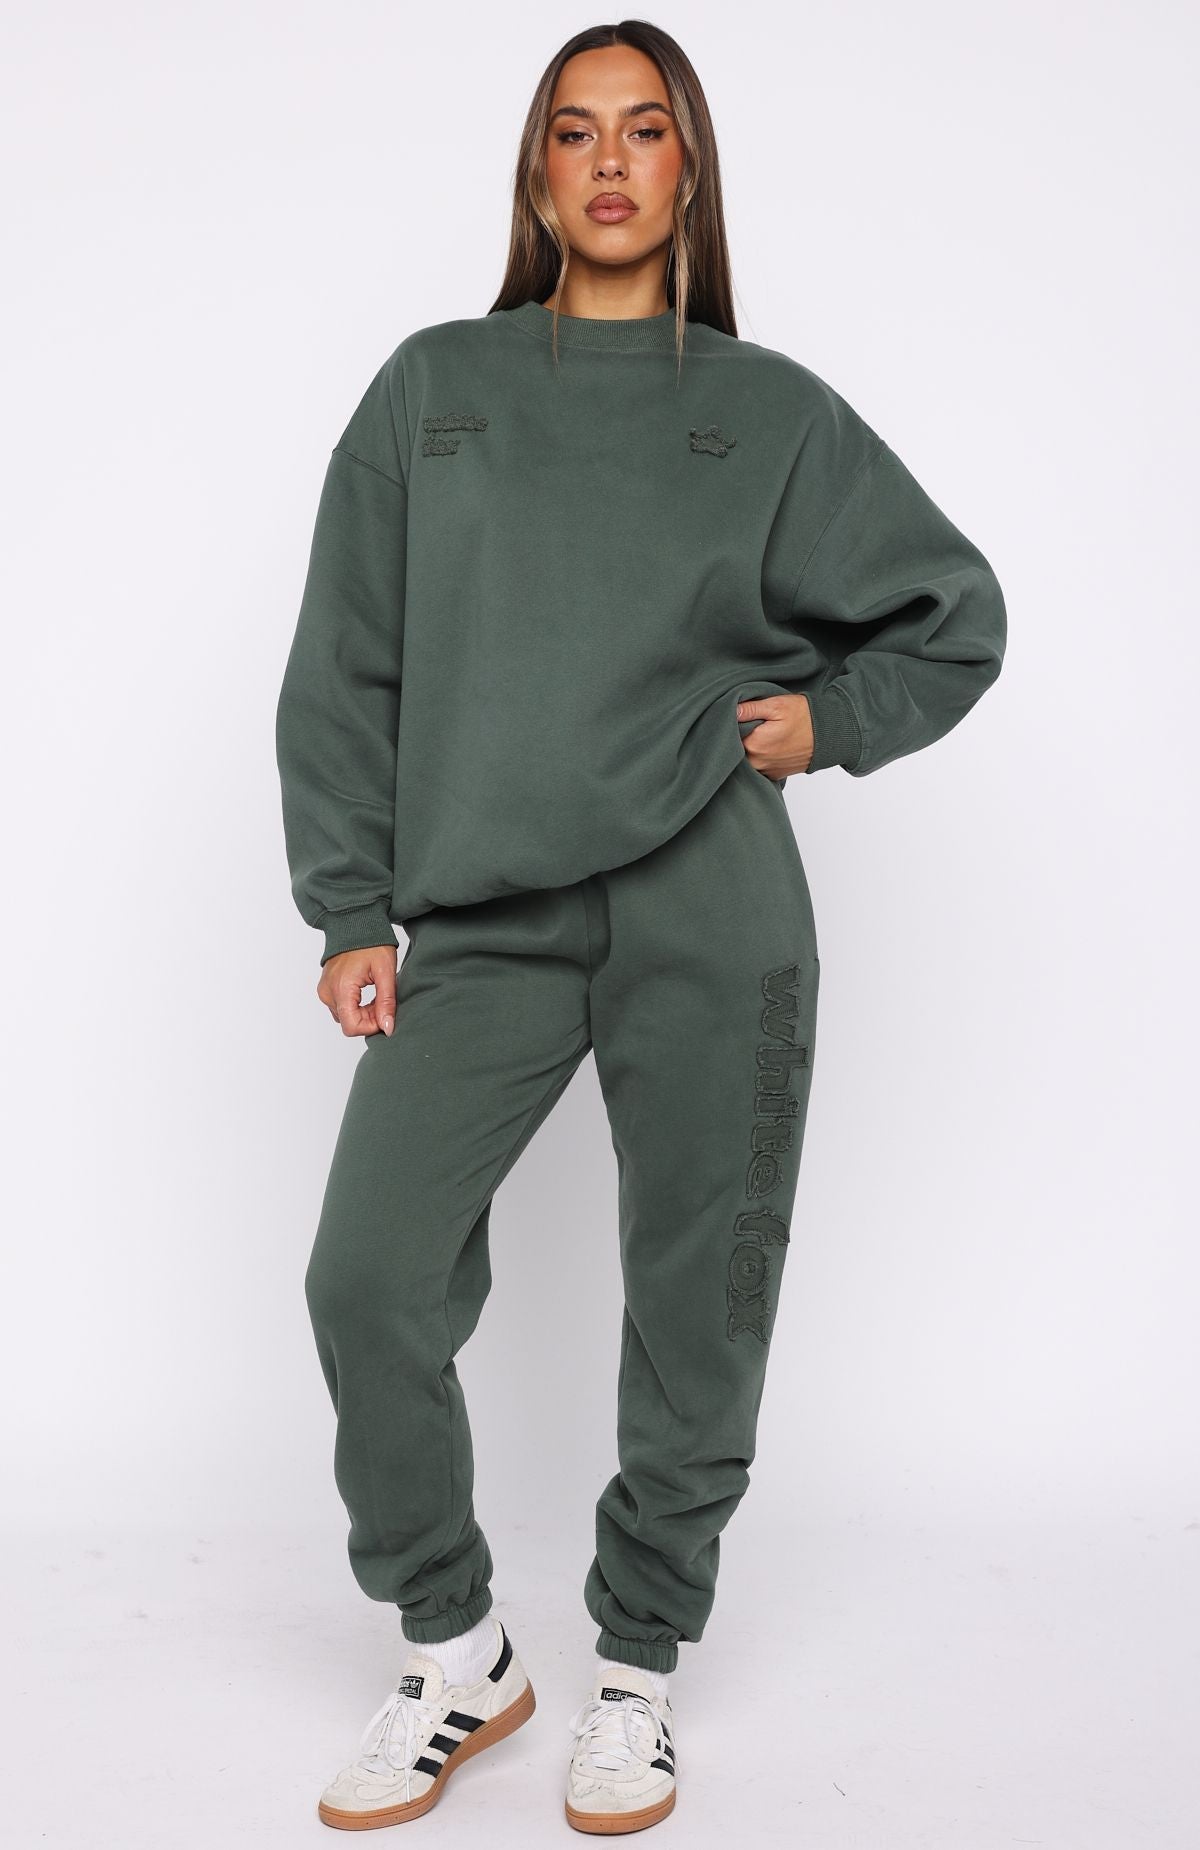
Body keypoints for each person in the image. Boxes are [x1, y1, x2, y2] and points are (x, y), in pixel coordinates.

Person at [273, 20, 1007, 1837]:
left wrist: (827, 721)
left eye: (647, 130)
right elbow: (347, 658)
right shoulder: (434, 388)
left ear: (690, 171)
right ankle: (457, 1650)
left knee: (702, 1296)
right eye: (576, 131)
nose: (610, 162)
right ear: (537, 174)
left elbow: (954, 613)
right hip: (486, 917)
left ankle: (639, 1672)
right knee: (366, 1273)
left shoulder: (769, 412)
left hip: (711, 905)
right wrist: (348, 900)